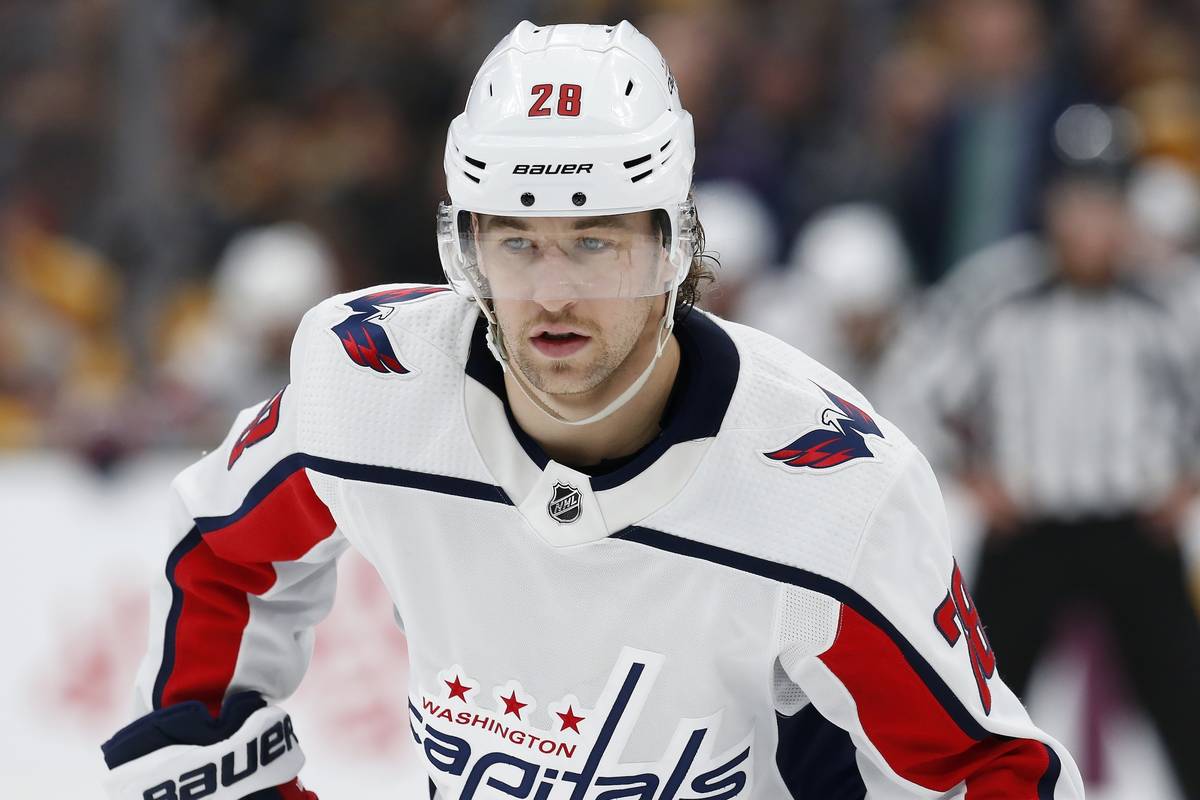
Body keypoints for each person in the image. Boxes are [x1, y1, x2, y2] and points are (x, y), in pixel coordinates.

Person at [100, 21, 1083, 799]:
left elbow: (986, 771)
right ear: (466, 247)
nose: (553, 292)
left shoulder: (826, 493)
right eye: (516, 242)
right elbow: (221, 554)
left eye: (595, 241)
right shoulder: (371, 385)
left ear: (673, 248)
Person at [935, 166, 1200, 798]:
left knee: (1184, 699)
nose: (1090, 226)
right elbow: (920, 392)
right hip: (1032, 529)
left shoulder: (1167, 304)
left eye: (1104, 207)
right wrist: (974, 475)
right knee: (980, 699)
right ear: (1051, 211)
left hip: (1133, 527)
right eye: (1076, 206)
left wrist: (1188, 480)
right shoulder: (999, 298)